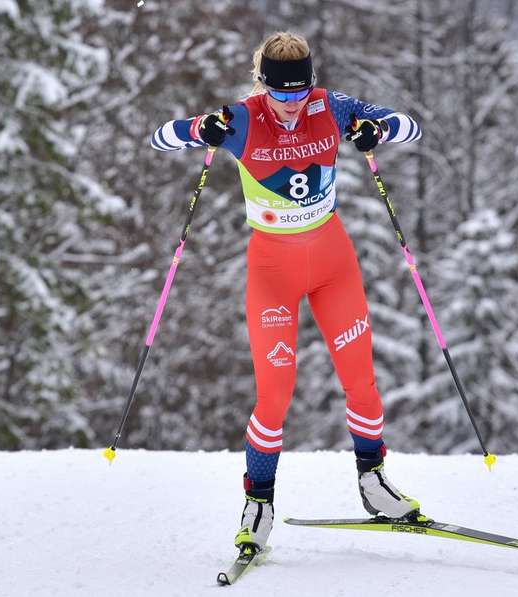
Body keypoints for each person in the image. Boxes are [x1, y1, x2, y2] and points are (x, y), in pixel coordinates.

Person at [151, 31, 423, 553]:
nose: (293, 106)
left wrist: (375, 130)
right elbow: (161, 137)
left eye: (300, 94)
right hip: (273, 269)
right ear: (263, 85)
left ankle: (374, 481)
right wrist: (198, 129)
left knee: (361, 380)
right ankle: (259, 501)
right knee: (274, 395)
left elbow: (410, 126)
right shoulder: (241, 120)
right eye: (282, 95)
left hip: (333, 262)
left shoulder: (332, 107)